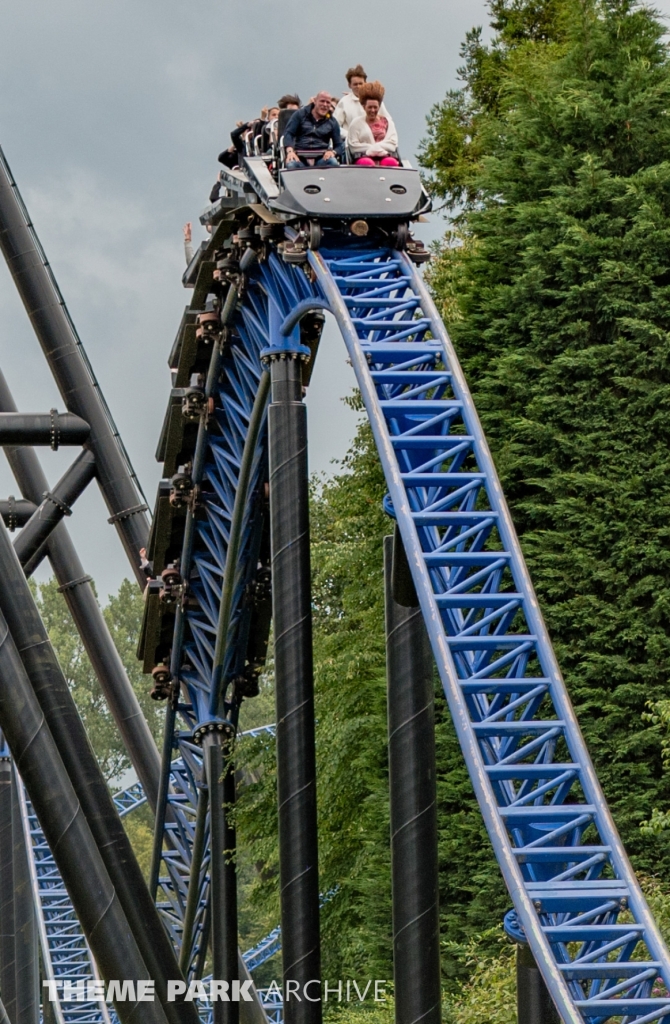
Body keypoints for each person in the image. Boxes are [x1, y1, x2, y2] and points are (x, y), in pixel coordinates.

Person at [284, 92, 344, 169]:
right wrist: (290, 152)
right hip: (299, 158)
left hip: (321, 159)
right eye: (322, 101)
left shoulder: (332, 121)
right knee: (291, 164)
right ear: (315, 101)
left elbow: (339, 144)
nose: (325, 105)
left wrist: (332, 152)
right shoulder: (299, 115)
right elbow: (289, 133)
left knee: (333, 162)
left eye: (328, 102)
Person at [348, 82, 399, 167]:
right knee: (368, 164)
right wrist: (370, 149)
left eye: (375, 107)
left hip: (385, 155)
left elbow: (393, 144)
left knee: (390, 163)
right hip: (363, 157)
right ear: (364, 107)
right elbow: (353, 146)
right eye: (370, 107)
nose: (372, 110)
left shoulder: (388, 123)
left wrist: (377, 148)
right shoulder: (355, 123)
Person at [334, 64, 389, 140]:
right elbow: (334, 125)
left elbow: (388, 121)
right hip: (351, 144)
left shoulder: (375, 100)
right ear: (349, 85)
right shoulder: (344, 102)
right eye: (355, 84)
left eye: (360, 83)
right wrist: (349, 135)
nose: (358, 86)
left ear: (365, 83)